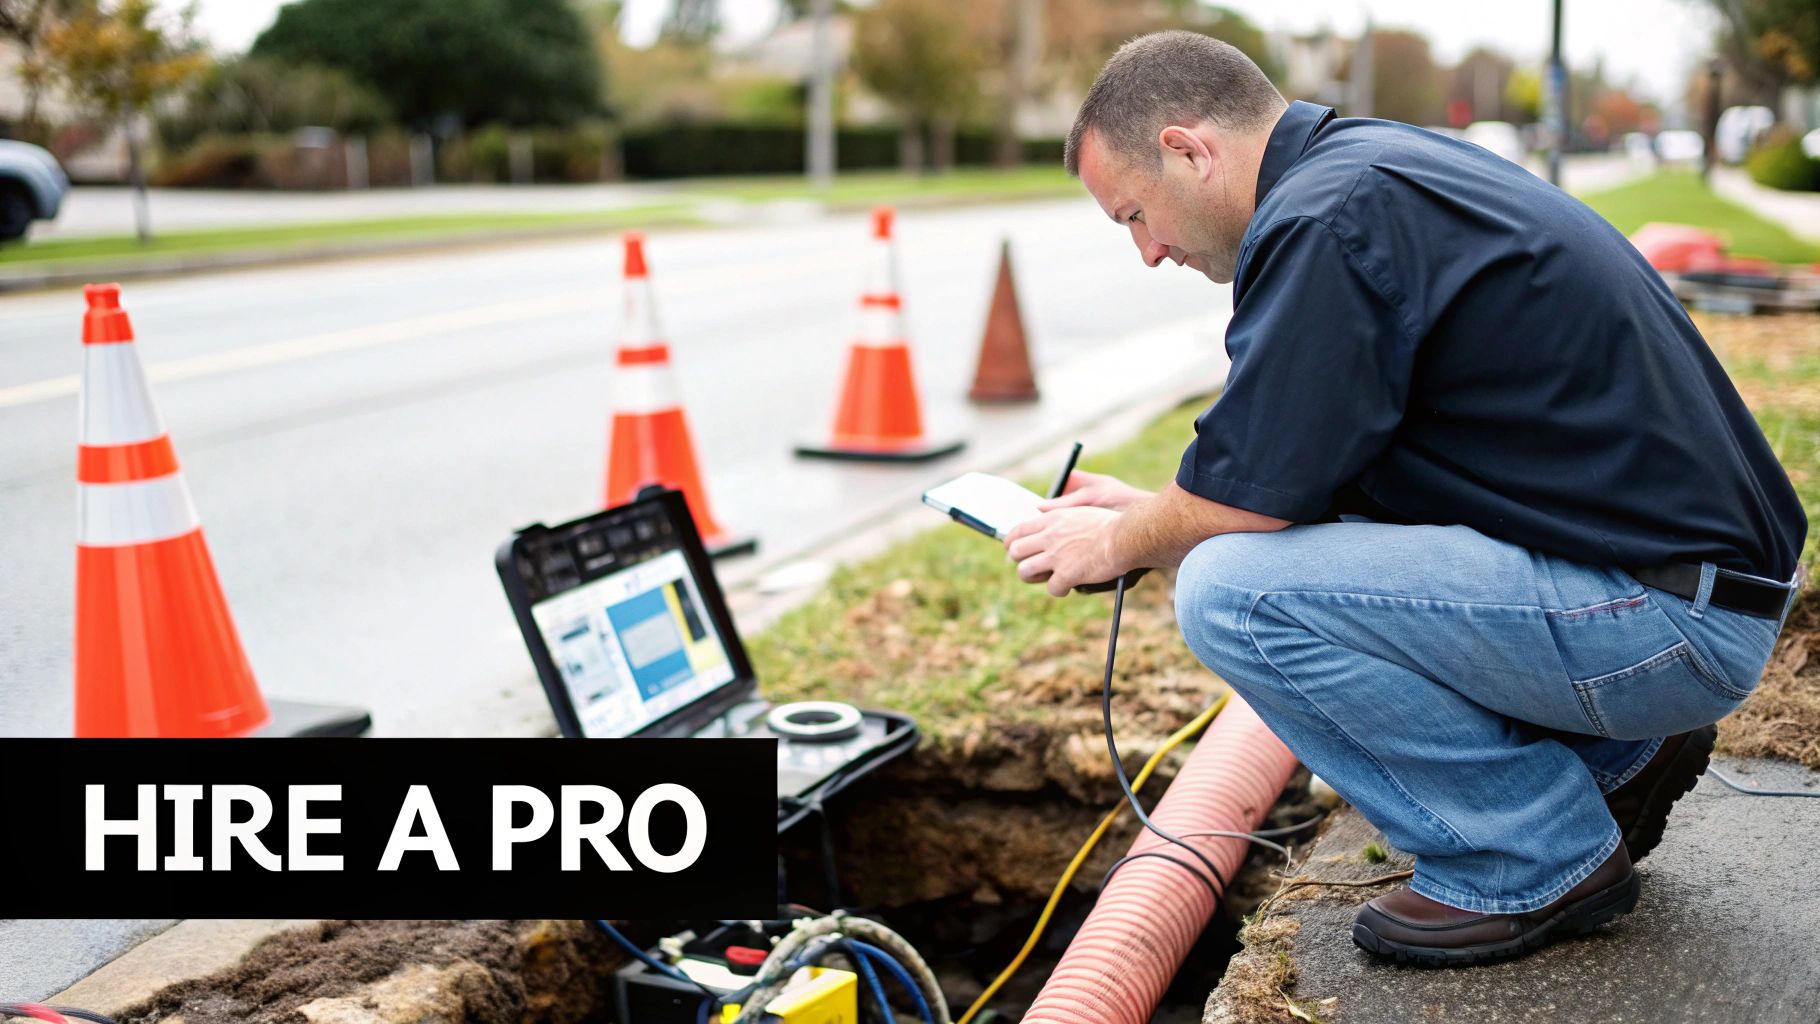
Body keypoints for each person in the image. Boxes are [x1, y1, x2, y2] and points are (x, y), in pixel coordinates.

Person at [1005, 30, 1807, 967]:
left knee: (1230, 590)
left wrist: (1121, 545)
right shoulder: (1371, 171)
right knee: (1242, 549)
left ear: (1189, 149)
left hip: (1665, 625)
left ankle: (1528, 856)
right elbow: (1283, 475)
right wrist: (1148, 511)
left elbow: (1247, 516)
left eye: (1134, 215)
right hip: (1691, 591)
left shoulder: (1322, 219)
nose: (1146, 252)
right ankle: (1613, 764)